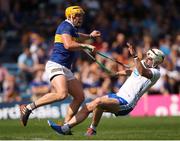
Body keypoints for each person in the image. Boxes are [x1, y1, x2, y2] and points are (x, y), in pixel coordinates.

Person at [47, 43, 165, 136]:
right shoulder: (143, 63)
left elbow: (141, 71)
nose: (148, 60)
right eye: (148, 58)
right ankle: (82, 129)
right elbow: (133, 71)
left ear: (157, 62)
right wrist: (117, 73)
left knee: (98, 102)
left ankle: (65, 129)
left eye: (151, 59)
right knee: (89, 106)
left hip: (127, 103)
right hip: (118, 96)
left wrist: (134, 56)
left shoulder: (155, 73)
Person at [19, 6, 101, 127]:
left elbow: (77, 35)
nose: (80, 18)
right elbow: (68, 45)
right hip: (56, 65)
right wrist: (86, 46)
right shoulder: (65, 26)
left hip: (66, 68)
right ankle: (28, 107)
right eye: (77, 15)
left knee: (79, 97)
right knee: (62, 94)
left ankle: (65, 125)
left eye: (81, 15)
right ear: (70, 16)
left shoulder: (71, 28)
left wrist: (90, 36)